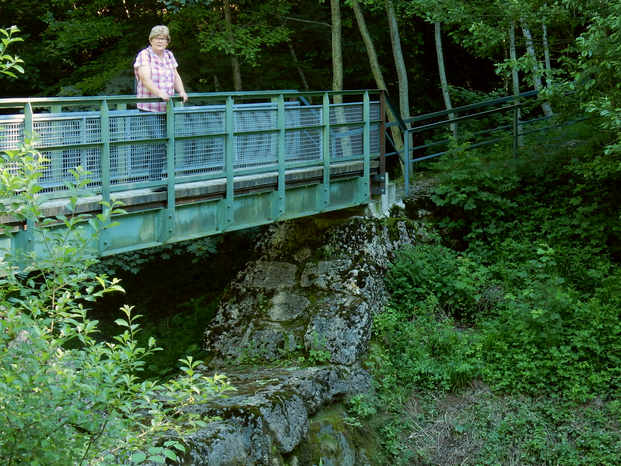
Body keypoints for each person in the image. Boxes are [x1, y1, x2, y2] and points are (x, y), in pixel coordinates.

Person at [133, 25, 188, 181]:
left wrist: (182, 91)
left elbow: (175, 76)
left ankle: (164, 176)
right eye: (157, 38)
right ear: (151, 40)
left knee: (166, 141)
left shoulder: (169, 56)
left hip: (166, 107)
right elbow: (145, 78)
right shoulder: (145, 55)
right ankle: (154, 179)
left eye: (163, 38)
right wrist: (160, 93)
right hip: (149, 107)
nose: (160, 41)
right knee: (158, 140)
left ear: (167, 41)